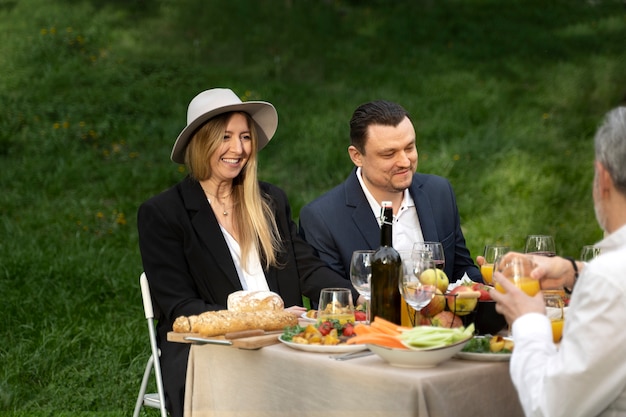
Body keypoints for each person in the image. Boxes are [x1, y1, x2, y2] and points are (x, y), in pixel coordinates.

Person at [137, 88, 358, 417]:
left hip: (287, 342)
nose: (238, 149)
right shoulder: (165, 213)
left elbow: (306, 268)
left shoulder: (269, 200)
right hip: (209, 351)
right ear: (201, 142)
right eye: (225, 137)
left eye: (245, 137)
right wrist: (266, 320)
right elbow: (182, 307)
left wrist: (359, 298)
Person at [491, 106, 626, 417]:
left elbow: (549, 407)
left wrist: (528, 320)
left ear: (602, 178)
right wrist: (574, 271)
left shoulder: (608, 280)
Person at [299, 99, 482, 283]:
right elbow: (334, 301)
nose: (405, 162)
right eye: (389, 154)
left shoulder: (439, 192)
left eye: (409, 148)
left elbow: (462, 269)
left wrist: (489, 284)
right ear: (357, 156)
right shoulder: (323, 218)